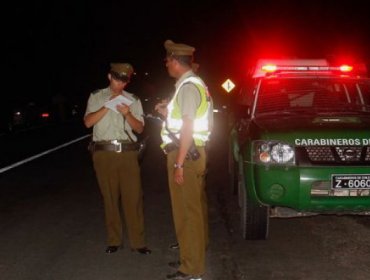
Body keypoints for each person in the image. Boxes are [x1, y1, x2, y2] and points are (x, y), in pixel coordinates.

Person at [157, 40, 213, 280]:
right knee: (193, 209)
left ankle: (192, 268)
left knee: (187, 213)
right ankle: (192, 257)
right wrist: (166, 112)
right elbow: (184, 119)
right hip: (190, 153)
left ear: (176, 62)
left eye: (168, 60)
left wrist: (179, 163)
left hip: (185, 155)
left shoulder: (188, 87)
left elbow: (189, 125)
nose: (166, 64)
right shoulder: (191, 85)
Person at [84, 62, 151, 255]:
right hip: (103, 153)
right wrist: (108, 106)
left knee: (134, 198)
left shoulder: (133, 100)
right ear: (109, 76)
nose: (119, 84)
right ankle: (114, 240)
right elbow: (88, 122)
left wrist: (126, 113)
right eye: (116, 79)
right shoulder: (97, 97)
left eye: (124, 81)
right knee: (110, 198)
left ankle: (138, 243)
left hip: (128, 153)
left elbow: (139, 128)